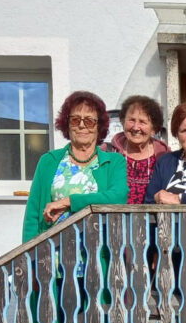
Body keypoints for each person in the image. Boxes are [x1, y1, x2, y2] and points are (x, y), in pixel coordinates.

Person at [22, 90, 127, 242]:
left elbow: (118, 197)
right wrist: (28, 253)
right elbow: (32, 216)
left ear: (99, 126)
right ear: (67, 124)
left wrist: (69, 202)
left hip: (97, 250)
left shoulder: (115, 161)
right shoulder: (48, 161)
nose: (82, 125)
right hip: (52, 250)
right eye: (75, 120)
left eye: (89, 121)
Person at [105, 95, 171, 205]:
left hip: (153, 216)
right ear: (122, 122)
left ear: (154, 129)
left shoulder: (165, 157)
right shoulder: (108, 152)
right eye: (131, 120)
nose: (136, 127)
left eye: (142, 122)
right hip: (114, 215)